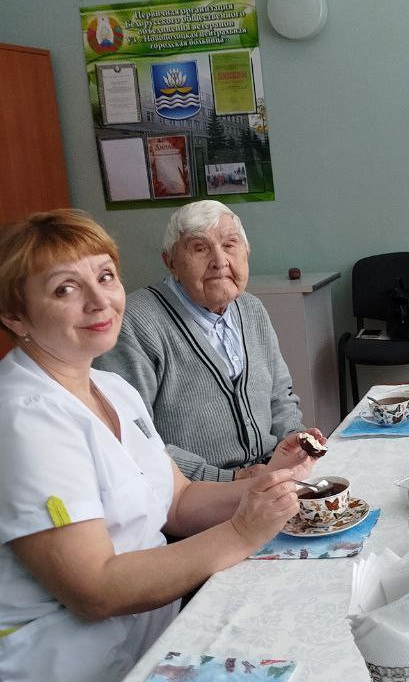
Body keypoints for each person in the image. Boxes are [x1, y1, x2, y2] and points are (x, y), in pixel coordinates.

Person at [0, 209, 314, 682]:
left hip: (147, 670)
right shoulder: (24, 418)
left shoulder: (111, 390)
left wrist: (270, 481)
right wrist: (243, 531)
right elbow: (93, 588)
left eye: (106, 276)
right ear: (16, 315)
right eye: (65, 289)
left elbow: (177, 500)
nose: (99, 300)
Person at [97, 200, 325, 481]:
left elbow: (280, 396)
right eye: (200, 248)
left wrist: (294, 443)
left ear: (246, 252)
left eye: (230, 245)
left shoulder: (251, 309)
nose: (220, 261)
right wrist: (230, 480)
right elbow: (133, 435)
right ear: (170, 262)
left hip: (269, 479)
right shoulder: (135, 323)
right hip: (191, 493)